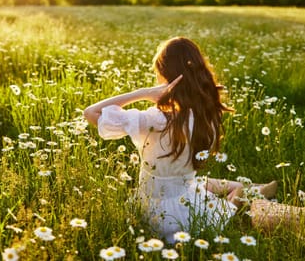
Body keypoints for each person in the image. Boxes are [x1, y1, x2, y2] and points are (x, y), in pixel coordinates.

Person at [83, 37, 277, 243]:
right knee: (193, 183)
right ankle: (247, 187)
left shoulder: (156, 120)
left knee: (196, 187)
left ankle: (240, 194)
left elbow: (91, 112)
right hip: (183, 202)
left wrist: (144, 93)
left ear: (167, 78)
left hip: (156, 215)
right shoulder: (206, 114)